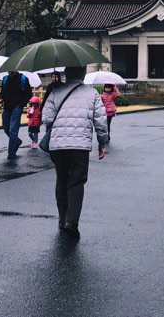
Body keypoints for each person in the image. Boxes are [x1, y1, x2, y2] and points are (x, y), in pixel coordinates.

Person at [42, 66, 109, 239]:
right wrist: (102, 142)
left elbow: (46, 118)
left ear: (66, 74)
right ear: (83, 74)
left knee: (61, 179)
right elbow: (101, 121)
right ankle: (72, 222)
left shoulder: (56, 92)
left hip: (57, 144)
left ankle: (62, 218)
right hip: (80, 144)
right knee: (77, 181)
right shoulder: (92, 93)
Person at [1, 71, 33, 159]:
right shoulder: (5, 79)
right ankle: (17, 141)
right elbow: (3, 92)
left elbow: (29, 94)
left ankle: (11, 153)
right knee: (6, 128)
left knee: (13, 130)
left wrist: (21, 104)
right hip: (7, 107)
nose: (10, 72)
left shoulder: (23, 79)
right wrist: (2, 99)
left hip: (17, 107)